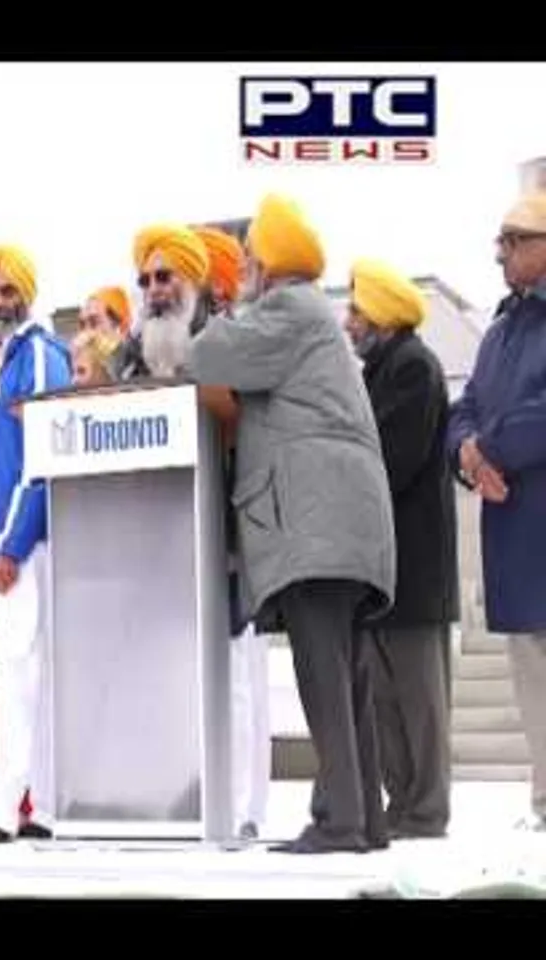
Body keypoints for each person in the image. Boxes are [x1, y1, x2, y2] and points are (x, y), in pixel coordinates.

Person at [187, 193, 396, 854]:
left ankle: (341, 821)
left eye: (249, 258)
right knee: (347, 673)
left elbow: (208, 358)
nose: (244, 268)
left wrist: (215, 310)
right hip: (343, 519)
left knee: (321, 669)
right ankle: (364, 818)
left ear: (269, 263)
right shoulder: (313, 316)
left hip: (316, 520)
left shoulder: (286, 309)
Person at [0, 245, 71, 844]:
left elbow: (43, 457)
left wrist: (10, 542)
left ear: (27, 295)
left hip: (23, 545)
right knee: (24, 670)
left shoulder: (41, 356)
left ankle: (5, 807)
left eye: (8, 292)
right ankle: (44, 808)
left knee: (19, 669)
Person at [344, 258, 458, 840]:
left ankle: (427, 809)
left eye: (356, 311)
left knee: (419, 699)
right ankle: (403, 803)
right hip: (383, 566)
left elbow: (391, 461)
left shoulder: (414, 368)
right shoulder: (378, 372)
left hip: (415, 565)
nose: (348, 323)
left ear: (382, 316)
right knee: (386, 698)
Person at [447, 191, 546, 832]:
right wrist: (468, 454)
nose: (501, 253)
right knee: (530, 666)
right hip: (512, 522)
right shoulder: (501, 330)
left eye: (514, 239)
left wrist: (492, 450)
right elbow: (465, 408)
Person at [191, 223, 272, 842]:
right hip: (179, 539)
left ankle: (246, 806)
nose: (159, 289)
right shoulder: (156, 345)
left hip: (238, 534)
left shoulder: (238, 341)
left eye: (175, 276)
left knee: (242, 676)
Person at [114, 226, 211, 380]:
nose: (153, 290)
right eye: (145, 281)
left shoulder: (220, 345)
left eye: (163, 277)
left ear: (191, 282)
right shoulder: (131, 364)